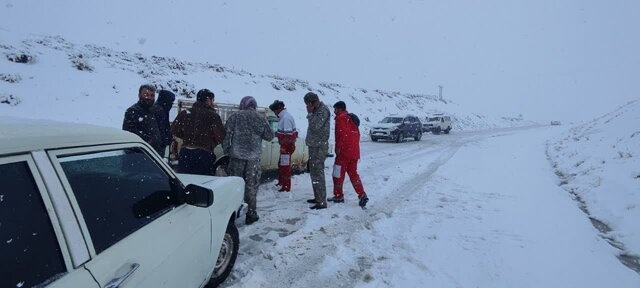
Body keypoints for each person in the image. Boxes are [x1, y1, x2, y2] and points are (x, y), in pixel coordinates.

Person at [223, 96, 274, 225]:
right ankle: (251, 214)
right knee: (251, 187)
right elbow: (270, 136)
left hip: (236, 158)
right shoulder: (260, 118)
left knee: (234, 186)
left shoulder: (235, 116)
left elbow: (226, 134)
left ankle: (230, 215)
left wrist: (227, 150)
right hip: (253, 159)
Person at [170, 89, 225, 175]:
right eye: (212, 100)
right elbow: (220, 136)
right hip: (204, 154)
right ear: (208, 100)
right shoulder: (213, 116)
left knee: (185, 181)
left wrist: (186, 136)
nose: (213, 103)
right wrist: (211, 142)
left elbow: (174, 130)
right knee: (203, 182)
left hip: (186, 153)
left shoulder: (185, 113)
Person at [330, 101, 369, 208]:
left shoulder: (340, 118)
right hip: (354, 152)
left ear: (339, 109)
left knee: (337, 174)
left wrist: (338, 148)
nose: (334, 112)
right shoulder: (352, 119)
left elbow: (341, 135)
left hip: (343, 153)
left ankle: (338, 196)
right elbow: (356, 136)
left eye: (335, 109)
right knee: (353, 174)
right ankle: (362, 194)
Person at [303, 92, 331, 210]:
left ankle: (321, 202)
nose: (306, 106)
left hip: (319, 147)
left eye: (307, 104)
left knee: (318, 172)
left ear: (311, 102)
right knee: (314, 172)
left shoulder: (323, 111)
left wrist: (310, 114)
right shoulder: (316, 111)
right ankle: (318, 197)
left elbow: (315, 126)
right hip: (314, 146)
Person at [123, 84, 163, 154]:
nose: (149, 98)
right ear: (139, 95)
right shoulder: (133, 111)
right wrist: (149, 140)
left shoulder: (154, 111)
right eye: (146, 94)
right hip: (138, 156)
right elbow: (129, 133)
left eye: (152, 95)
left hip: (153, 154)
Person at [268, 100, 297, 192]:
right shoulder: (284, 117)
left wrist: (284, 147)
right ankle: (281, 182)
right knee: (281, 165)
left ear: (279, 109)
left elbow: (288, 136)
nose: (275, 113)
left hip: (287, 147)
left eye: (275, 111)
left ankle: (286, 186)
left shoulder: (286, 118)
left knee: (285, 167)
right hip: (285, 146)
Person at [153, 89, 176, 158]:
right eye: (171, 102)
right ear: (166, 101)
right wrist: (166, 139)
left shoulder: (161, 109)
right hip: (158, 146)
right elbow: (161, 128)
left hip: (158, 145)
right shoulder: (160, 111)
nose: (171, 105)